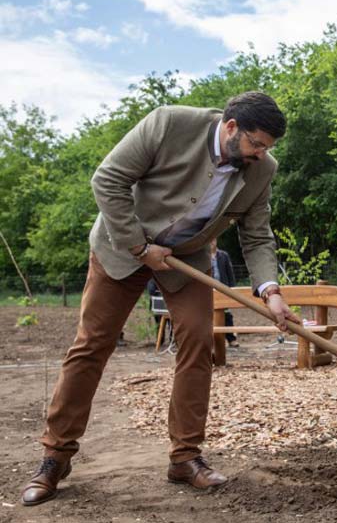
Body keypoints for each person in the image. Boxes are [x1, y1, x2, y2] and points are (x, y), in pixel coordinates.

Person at [21, 92, 300, 506]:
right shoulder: (168, 124)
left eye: (267, 148)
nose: (260, 155)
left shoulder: (262, 169)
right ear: (229, 128)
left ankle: (185, 458)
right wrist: (138, 246)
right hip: (121, 247)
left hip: (186, 257)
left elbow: (257, 234)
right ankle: (55, 457)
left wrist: (270, 291)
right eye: (255, 144)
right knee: (92, 345)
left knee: (198, 343)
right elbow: (108, 179)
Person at [210, 237, 239, 347]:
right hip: (209, 289)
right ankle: (214, 341)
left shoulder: (223, 255)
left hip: (223, 288)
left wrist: (232, 289)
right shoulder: (203, 257)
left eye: (213, 240)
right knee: (210, 315)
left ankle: (231, 339)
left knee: (227, 314)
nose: (211, 242)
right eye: (209, 240)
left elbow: (230, 272)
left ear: (216, 240)